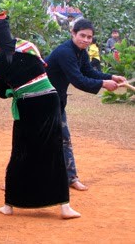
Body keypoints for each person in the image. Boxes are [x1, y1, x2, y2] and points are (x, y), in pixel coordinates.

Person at [0, 12, 80, 219]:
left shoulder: (0, 65)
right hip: (50, 101)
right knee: (53, 152)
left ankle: (10, 205)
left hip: (28, 107)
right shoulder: (28, 46)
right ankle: (65, 207)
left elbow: (2, 92)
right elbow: (40, 69)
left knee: (21, 154)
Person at [46, 18, 126, 191]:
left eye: (89, 37)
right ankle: (14, 181)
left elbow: (88, 71)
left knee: (64, 139)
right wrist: (104, 84)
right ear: (73, 33)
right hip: (40, 101)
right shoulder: (65, 52)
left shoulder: (81, 52)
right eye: (82, 35)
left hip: (56, 100)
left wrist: (111, 77)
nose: (86, 40)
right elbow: (78, 80)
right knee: (35, 142)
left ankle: (70, 178)